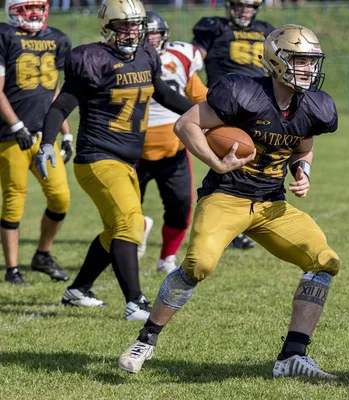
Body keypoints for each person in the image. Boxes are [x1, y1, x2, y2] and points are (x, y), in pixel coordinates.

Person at [118, 24, 340, 379]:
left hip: (272, 204)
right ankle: (146, 339)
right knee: (199, 265)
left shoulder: (316, 105)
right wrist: (216, 162)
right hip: (227, 197)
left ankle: (292, 356)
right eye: (300, 61)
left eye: (312, 62)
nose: (308, 70)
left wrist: (303, 172)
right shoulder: (244, 91)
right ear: (278, 60)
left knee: (325, 261)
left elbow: (303, 146)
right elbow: (187, 124)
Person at [35, 0, 194, 320]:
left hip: (125, 161)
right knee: (130, 223)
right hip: (97, 157)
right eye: (124, 26)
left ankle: (78, 290)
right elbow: (60, 106)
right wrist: (47, 143)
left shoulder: (146, 56)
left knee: (113, 231)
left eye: (137, 26)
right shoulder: (91, 59)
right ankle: (135, 302)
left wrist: (201, 113)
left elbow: (161, 92)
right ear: (107, 28)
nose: (133, 33)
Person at [191, 0, 274, 250]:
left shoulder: (265, 29)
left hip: (260, 104)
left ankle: (245, 220)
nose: (244, 10)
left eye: (249, 6)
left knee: (257, 163)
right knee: (231, 162)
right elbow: (191, 62)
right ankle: (222, 223)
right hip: (227, 105)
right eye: (239, 5)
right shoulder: (214, 27)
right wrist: (202, 97)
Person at [1, 0, 72, 285]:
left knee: (61, 197)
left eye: (38, 7)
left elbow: (54, 91)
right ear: (12, 10)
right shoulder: (5, 36)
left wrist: (65, 132)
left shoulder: (56, 39)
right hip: (11, 134)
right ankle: (12, 269)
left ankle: (42, 254)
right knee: (14, 200)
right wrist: (16, 124)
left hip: (45, 136)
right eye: (25, 8)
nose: (33, 13)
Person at [136, 10, 208, 274]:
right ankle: (137, 230)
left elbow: (199, 96)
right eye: (146, 33)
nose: (151, 38)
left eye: (154, 33)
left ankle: (167, 257)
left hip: (174, 149)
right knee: (127, 209)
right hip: (133, 150)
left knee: (180, 207)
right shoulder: (127, 59)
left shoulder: (180, 57)